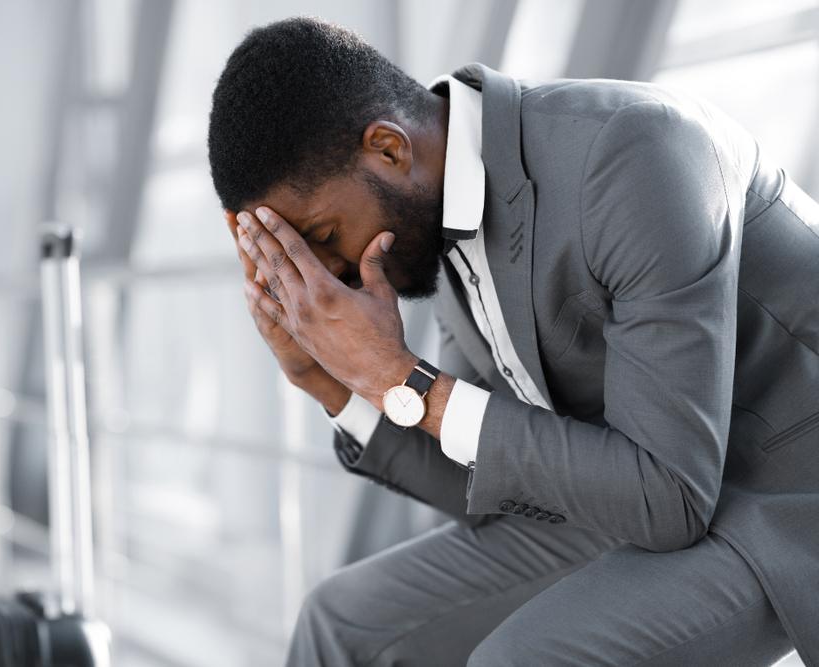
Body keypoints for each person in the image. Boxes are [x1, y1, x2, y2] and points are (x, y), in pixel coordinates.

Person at [207, 16, 819, 667]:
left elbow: (669, 495)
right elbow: (489, 488)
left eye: (324, 237)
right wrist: (328, 381)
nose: (330, 273)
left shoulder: (629, 153)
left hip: (776, 493)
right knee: (342, 619)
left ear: (388, 149)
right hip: (640, 494)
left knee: (519, 659)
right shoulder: (438, 227)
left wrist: (402, 379)